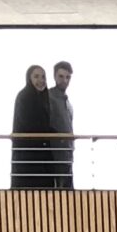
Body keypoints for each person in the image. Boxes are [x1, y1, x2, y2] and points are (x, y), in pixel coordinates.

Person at [11, 64, 62, 190]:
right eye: (36, 76)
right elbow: (28, 124)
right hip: (28, 155)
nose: (41, 80)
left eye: (43, 77)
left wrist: (56, 134)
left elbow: (43, 124)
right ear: (29, 78)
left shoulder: (43, 98)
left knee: (45, 190)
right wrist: (52, 133)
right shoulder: (24, 97)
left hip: (41, 153)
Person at [48, 59, 78, 188]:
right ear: (54, 76)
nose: (64, 80)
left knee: (68, 191)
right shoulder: (49, 96)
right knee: (59, 192)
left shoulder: (67, 101)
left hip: (67, 154)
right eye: (61, 76)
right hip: (54, 154)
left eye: (68, 77)